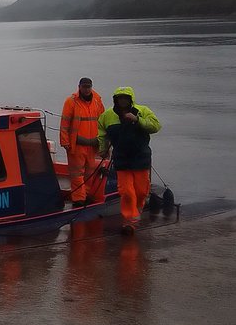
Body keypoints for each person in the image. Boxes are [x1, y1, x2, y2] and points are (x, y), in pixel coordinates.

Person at [97, 87, 162, 235]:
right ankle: (129, 221)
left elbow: (155, 126)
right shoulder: (107, 115)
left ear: (130, 99)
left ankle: (136, 212)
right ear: (116, 99)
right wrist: (103, 149)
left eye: (125, 98)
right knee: (126, 192)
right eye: (120, 98)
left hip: (140, 157)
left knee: (140, 191)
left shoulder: (143, 111)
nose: (123, 101)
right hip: (121, 158)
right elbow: (101, 133)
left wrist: (138, 120)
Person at [60, 77, 105, 207]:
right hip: (76, 145)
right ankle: (79, 199)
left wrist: (103, 142)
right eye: (84, 87)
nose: (86, 89)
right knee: (77, 173)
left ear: (91, 87)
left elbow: (102, 122)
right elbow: (64, 123)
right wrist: (65, 142)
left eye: (88, 87)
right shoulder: (71, 102)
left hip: (92, 145)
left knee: (90, 172)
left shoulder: (97, 101)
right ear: (79, 87)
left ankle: (86, 195)